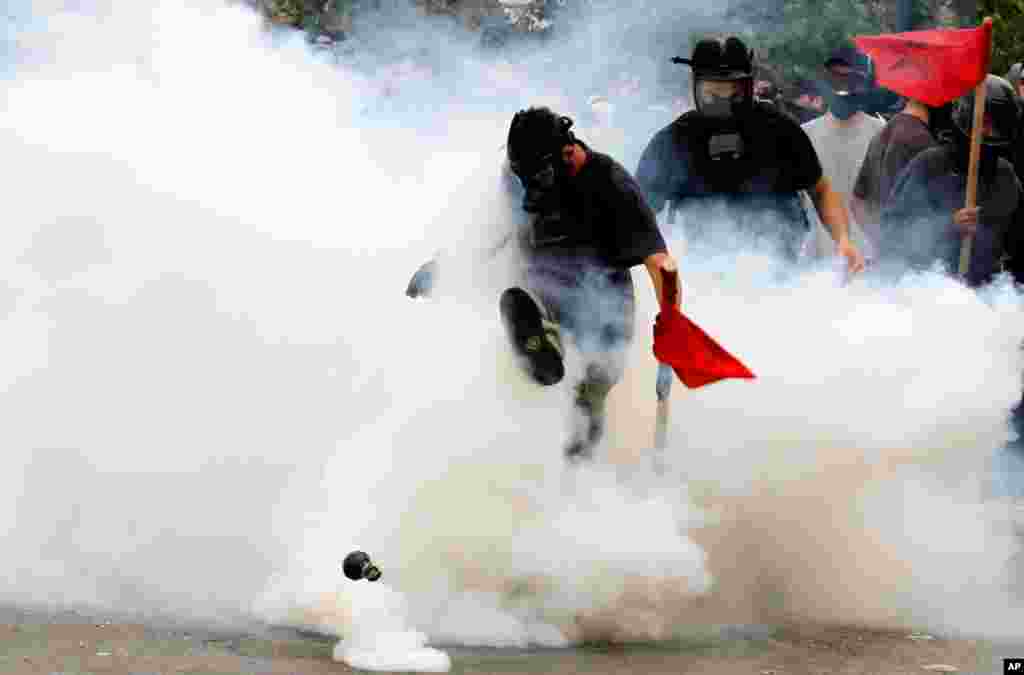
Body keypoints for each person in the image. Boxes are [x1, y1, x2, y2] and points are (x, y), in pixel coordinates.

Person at [407, 107, 679, 462]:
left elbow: (660, 262)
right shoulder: (518, 176)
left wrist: (672, 322)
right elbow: (494, 230)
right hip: (542, 286)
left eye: (538, 177)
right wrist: (445, 266)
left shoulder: (609, 183)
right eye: (522, 176)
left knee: (591, 396)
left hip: (606, 301)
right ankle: (540, 337)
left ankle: (580, 475)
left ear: (567, 154)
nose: (529, 189)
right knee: (526, 302)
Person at [635, 36, 864, 272]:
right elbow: (637, 210)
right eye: (712, 95)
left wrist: (843, 240)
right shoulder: (675, 140)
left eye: (734, 95)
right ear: (695, 87)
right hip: (701, 276)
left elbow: (820, 189)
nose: (724, 105)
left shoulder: (779, 129)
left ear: (749, 86)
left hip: (780, 271)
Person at [881, 75, 1023, 288]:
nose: (991, 133)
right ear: (966, 119)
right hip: (932, 292)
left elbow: (1018, 242)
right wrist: (949, 225)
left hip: (990, 297)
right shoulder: (930, 165)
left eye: (998, 125)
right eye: (984, 123)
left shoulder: (1005, 175)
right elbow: (892, 233)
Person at [801, 46, 885, 259]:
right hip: (819, 265)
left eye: (848, 79)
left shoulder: (881, 132)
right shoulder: (805, 135)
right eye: (835, 79)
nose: (842, 87)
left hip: (869, 263)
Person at [850, 96, 937, 251]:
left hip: (887, 259)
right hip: (911, 262)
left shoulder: (881, 134)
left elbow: (857, 202)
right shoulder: (922, 141)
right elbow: (932, 214)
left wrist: (880, 242)